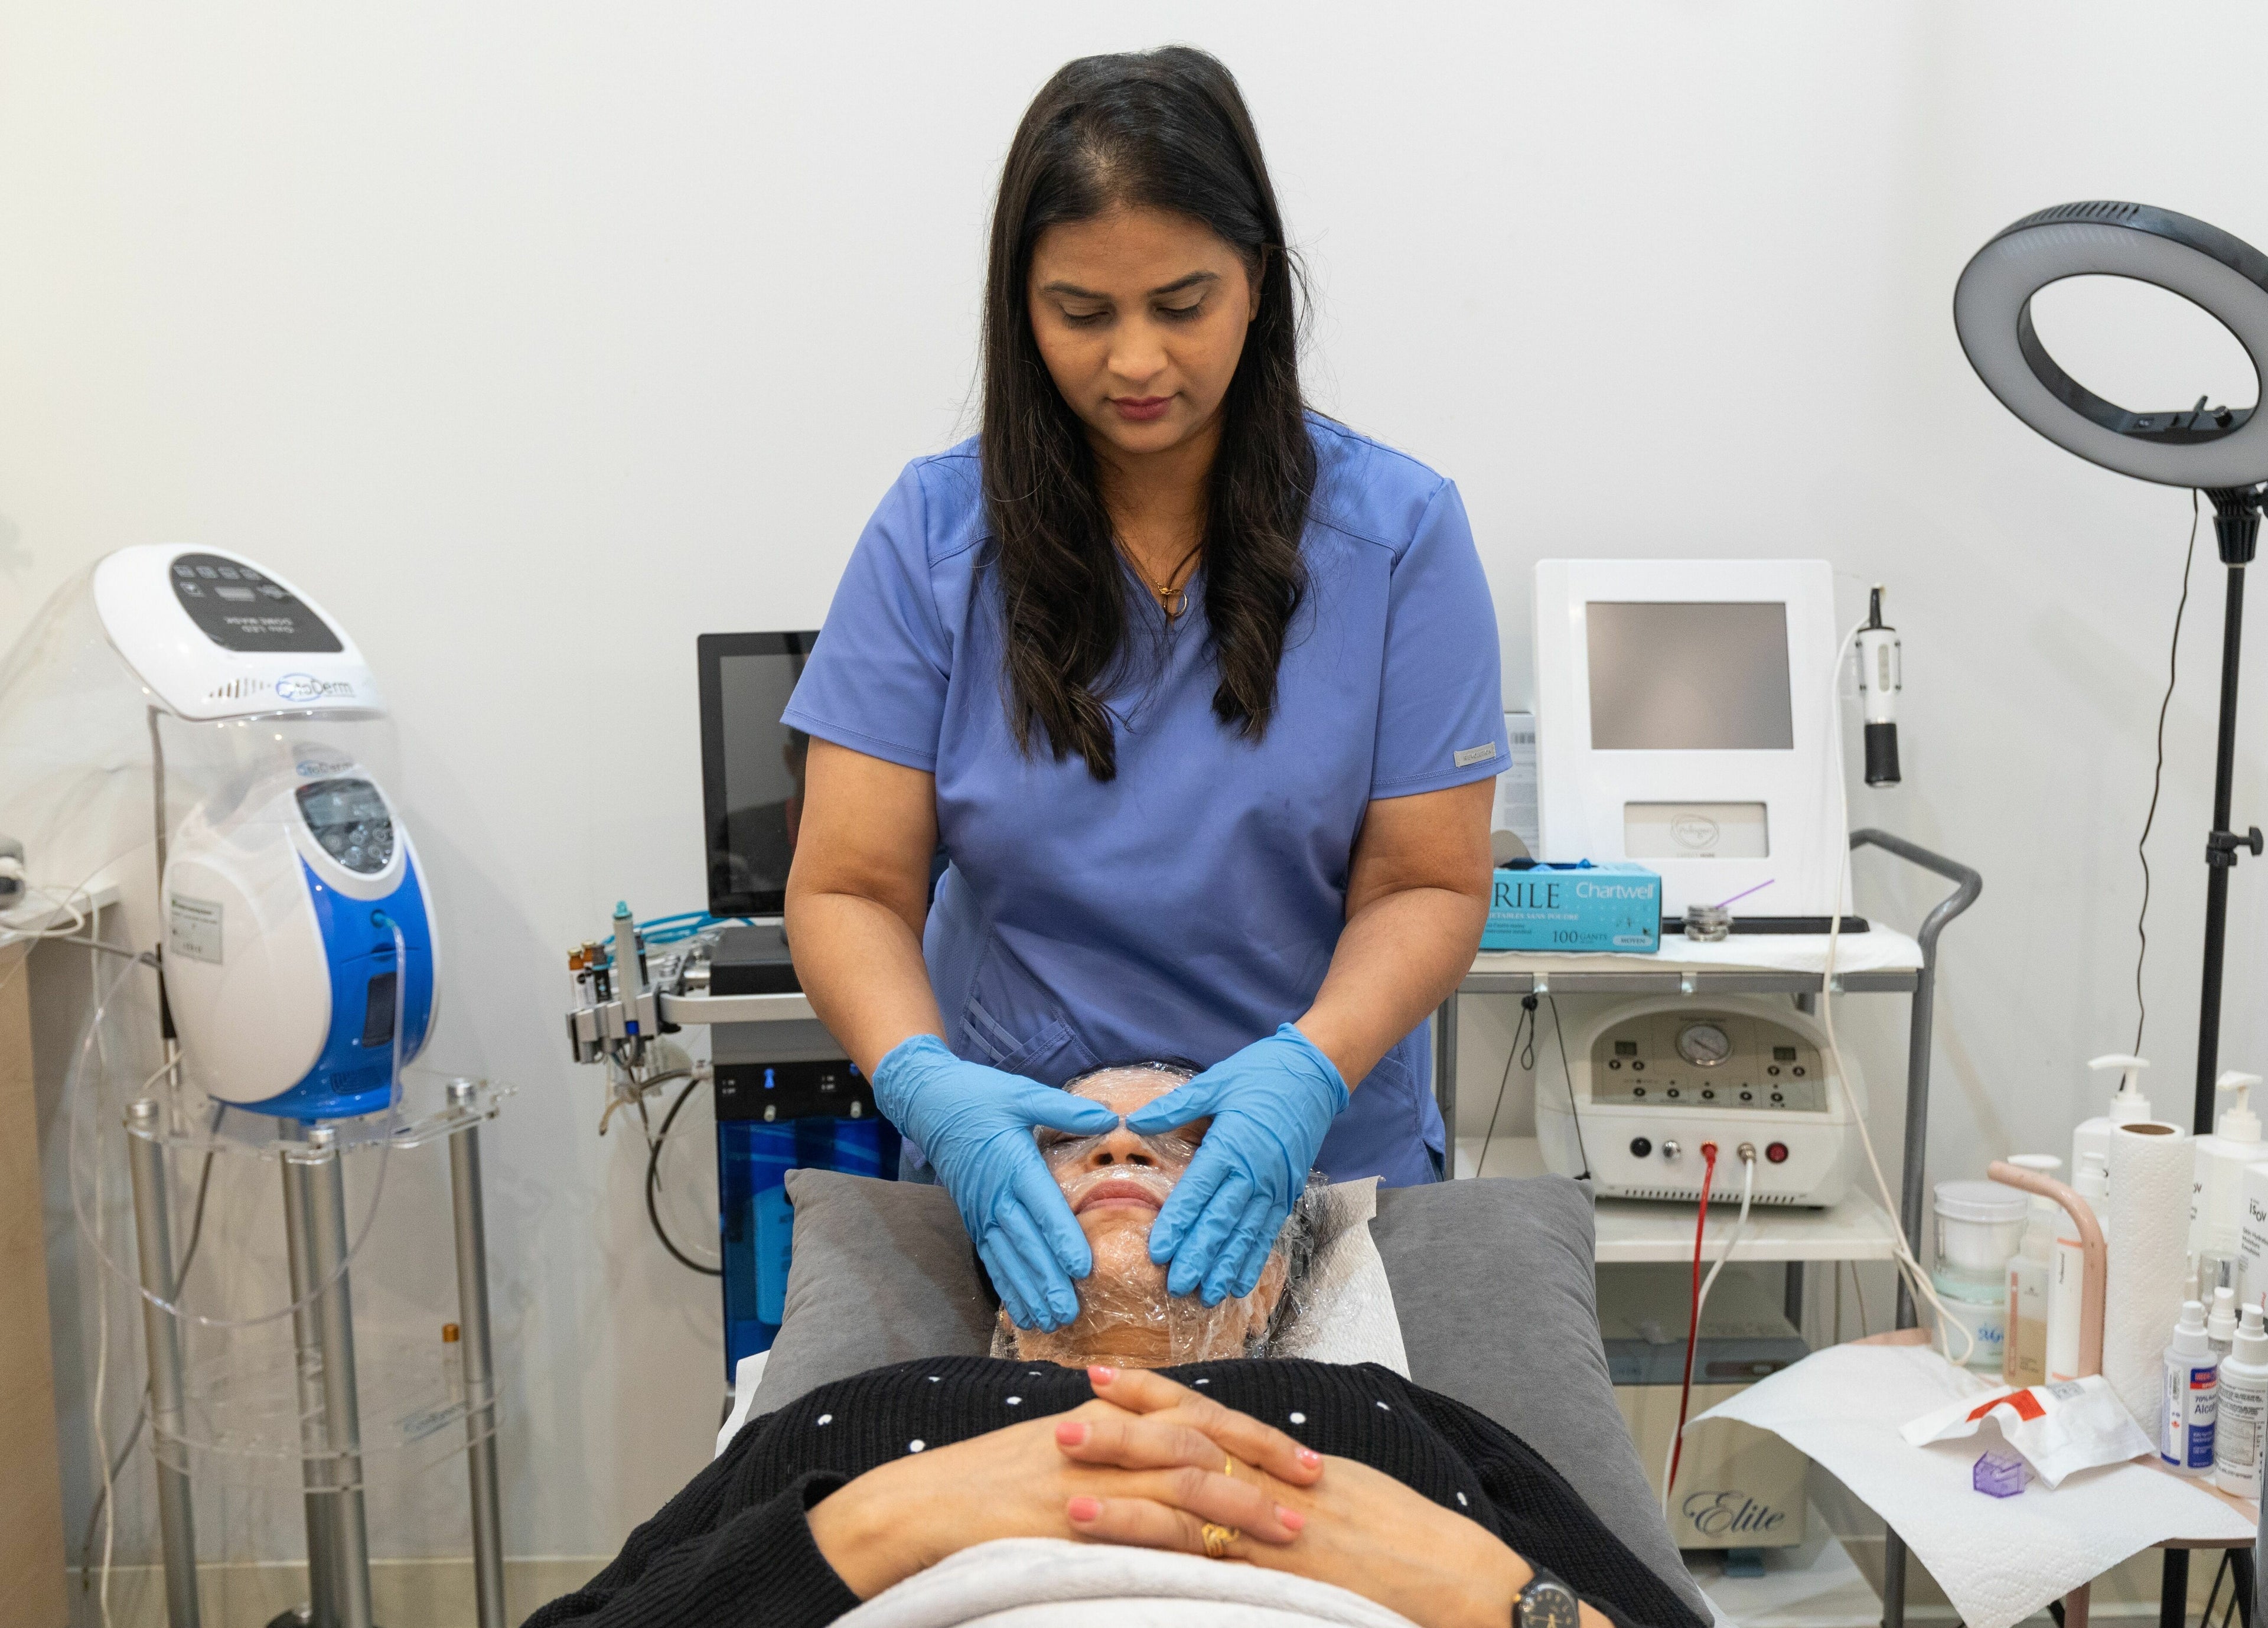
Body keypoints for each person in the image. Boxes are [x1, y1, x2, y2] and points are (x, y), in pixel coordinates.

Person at [781, 45, 1505, 1336]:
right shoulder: (936, 538)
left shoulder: (1397, 540)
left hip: (1313, 1149)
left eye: (1182, 303)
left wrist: (1302, 1076)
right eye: (1081, 311)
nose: (1136, 361)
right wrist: (929, 1090)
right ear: (1020, 305)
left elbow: (1429, 883)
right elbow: (849, 886)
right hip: (1025, 1175)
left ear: (1259, 285)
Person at [525, 1067, 1705, 1628]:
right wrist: (877, 1521)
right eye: (1074, 1145)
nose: (1125, 1153)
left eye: (1184, 1147)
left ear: (1272, 1281)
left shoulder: (1392, 1423)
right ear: (995, 1257)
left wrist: (1492, 1591)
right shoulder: (856, 1426)